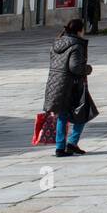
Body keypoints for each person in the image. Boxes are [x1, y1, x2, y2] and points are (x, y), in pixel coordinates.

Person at [43, 19, 92, 157]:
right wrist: (87, 69)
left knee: (62, 115)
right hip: (72, 85)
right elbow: (75, 67)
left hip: (55, 83)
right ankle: (72, 142)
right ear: (79, 30)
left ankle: (60, 147)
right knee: (83, 112)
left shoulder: (56, 43)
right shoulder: (76, 45)